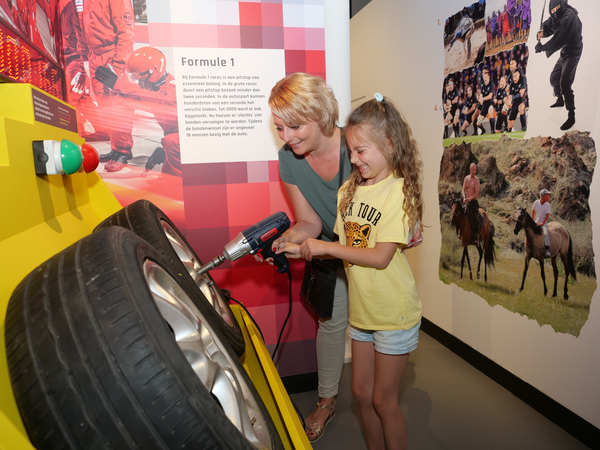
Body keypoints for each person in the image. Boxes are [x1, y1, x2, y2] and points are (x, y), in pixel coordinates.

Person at [280, 94, 423, 450]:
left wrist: (324, 246)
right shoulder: (349, 191)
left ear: (389, 145)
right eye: (351, 151)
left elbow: (377, 257)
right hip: (363, 313)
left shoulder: (398, 191)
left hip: (393, 312)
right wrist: (296, 249)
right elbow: (346, 249)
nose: (354, 159)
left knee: (383, 400)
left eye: (361, 151)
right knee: (361, 394)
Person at [267, 73, 352, 443]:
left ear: (321, 115)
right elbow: (310, 221)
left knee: (376, 327)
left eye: (295, 126)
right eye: (280, 127)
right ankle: (327, 401)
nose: (287, 137)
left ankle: (376, 397)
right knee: (332, 324)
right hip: (327, 251)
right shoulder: (289, 160)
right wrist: (284, 241)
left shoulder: (358, 143)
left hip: (370, 249)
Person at [95, 46, 181, 175]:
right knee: (121, 103)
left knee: (171, 144)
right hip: (175, 134)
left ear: (153, 72)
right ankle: (121, 151)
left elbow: (153, 99)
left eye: (140, 76)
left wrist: (119, 85)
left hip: (186, 138)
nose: (138, 81)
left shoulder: (171, 90)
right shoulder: (154, 85)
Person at [535, 0, 583, 131]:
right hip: (565, 51)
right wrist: (541, 32)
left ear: (562, 5)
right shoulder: (558, 14)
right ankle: (559, 99)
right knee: (553, 78)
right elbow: (549, 25)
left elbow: (559, 37)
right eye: (553, 11)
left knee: (565, 83)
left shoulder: (569, 16)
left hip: (574, 51)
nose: (554, 12)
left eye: (556, 9)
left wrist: (543, 47)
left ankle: (571, 115)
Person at [472, 67, 495, 135]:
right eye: (483, 76)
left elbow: (490, 96)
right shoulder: (482, 84)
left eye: (485, 76)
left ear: (488, 76)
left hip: (490, 103)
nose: (484, 77)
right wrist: (480, 99)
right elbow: (481, 94)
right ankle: (482, 130)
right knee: (478, 123)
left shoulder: (491, 84)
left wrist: (483, 99)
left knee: (490, 111)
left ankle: (492, 131)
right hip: (484, 104)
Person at [463, 163, 480, 242]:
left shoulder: (476, 180)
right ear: (470, 169)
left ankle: (476, 235)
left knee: (475, 217)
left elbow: (476, 193)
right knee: (459, 214)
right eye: (473, 170)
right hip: (466, 201)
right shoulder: (466, 178)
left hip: (473, 202)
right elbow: (463, 189)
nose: (474, 171)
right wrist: (464, 197)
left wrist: (470, 198)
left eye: (475, 170)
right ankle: (460, 232)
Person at [532, 189, 552, 257]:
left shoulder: (547, 205)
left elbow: (547, 216)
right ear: (543, 196)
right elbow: (533, 211)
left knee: (546, 234)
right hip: (536, 222)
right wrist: (532, 220)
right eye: (547, 195)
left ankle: (547, 249)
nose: (548, 197)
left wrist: (542, 224)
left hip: (544, 223)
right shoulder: (536, 202)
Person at [507, 68, 527, 132]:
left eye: (516, 76)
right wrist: (510, 101)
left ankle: (524, 127)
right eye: (513, 76)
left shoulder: (523, 80)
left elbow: (521, 93)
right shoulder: (511, 85)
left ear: (519, 75)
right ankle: (509, 130)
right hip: (514, 103)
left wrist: (512, 97)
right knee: (509, 127)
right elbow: (510, 96)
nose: (514, 78)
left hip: (521, 101)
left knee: (521, 108)